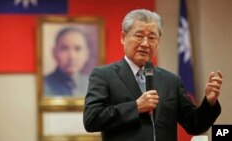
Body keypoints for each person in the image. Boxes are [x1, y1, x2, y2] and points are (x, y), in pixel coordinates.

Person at [83, 9, 223, 141]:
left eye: (151, 37)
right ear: (123, 37)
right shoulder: (104, 75)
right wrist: (136, 107)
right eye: (139, 36)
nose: (145, 43)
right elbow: (91, 119)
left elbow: (194, 125)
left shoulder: (171, 81)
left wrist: (209, 102)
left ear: (158, 42)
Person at [44, 27, 90, 97]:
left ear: (86, 54)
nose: (72, 57)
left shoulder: (93, 85)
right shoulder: (43, 85)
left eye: (78, 49)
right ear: (54, 52)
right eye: (64, 49)